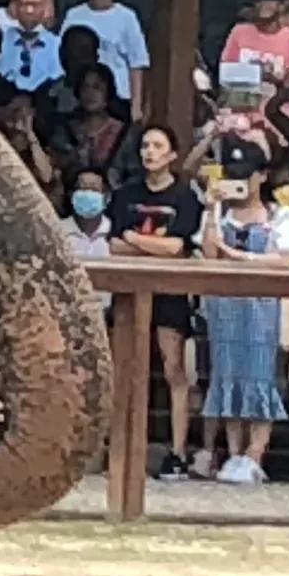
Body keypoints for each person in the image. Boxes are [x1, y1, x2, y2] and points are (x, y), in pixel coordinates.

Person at [108, 122, 208, 477]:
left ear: (172, 154)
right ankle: (119, 446)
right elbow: (114, 245)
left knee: (173, 369)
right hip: (127, 291)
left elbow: (177, 247)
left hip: (170, 292)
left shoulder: (184, 197)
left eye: (157, 146)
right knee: (124, 368)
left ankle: (177, 451)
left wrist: (135, 239)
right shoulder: (125, 194)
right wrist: (153, 244)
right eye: (145, 146)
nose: (150, 152)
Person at [198, 174, 289, 484]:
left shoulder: (279, 214)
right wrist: (211, 209)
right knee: (228, 374)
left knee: (260, 375)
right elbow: (209, 253)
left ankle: (255, 454)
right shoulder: (222, 215)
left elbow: (286, 259)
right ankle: (234, 452)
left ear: (261, 176)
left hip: (263, 306)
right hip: (225, 306)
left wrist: (244, 256)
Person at [58, 0, 151, 102]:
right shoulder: (73, 15)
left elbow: (137, 63)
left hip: (119, 95)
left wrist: (136, 104)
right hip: (80, 95)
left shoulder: (127, 17)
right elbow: (62, 54)